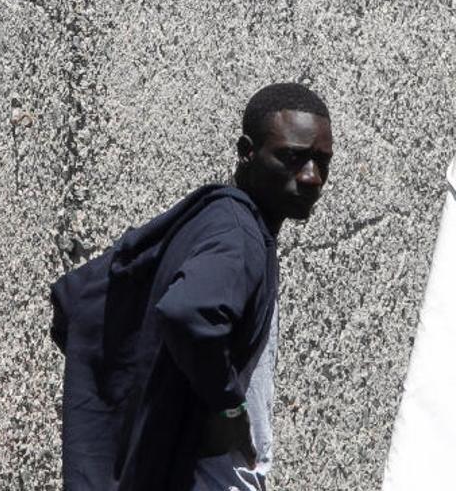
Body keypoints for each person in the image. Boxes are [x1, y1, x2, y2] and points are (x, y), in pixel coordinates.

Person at [50, 83, 333, 491]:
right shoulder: (238, 235)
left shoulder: (217, 221)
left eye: (322, 161)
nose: (311, 177)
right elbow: (188, 313)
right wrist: (228, 408)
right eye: (292, 157)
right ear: (247, 152)